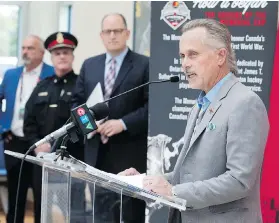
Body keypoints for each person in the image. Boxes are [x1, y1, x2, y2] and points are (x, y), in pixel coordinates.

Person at [119, 19, 269, 223]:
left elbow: (239, 181)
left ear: (220, 56)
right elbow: (190, 174)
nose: (185, 63)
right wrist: (148, 182)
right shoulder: (199, 104)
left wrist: (173, 191)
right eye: (182, 56)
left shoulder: (245, 103)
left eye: (193, 54)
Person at [72, 13, 149, 223]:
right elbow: (77, 103)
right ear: (101, 35)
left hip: (129, 152)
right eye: (108, 31)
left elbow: (151, 107)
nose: (112, 36)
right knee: (100, 212)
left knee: (131, 212)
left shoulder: (144, 65)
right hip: (95, 152)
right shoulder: (90, 65)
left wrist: (123, 123)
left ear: (127, 33)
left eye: (117, 31)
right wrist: (90, 124)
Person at [23, 32, 85, 223]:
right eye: (57, 53)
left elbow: (84, 122)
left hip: (73, 160)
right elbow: (29, 121)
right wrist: (37, 145)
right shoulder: (42, 86)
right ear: (51, 57)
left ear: (73, 56)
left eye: (66, 52)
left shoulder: (81, 85)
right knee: (42, 210)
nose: (62, 56)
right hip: (44, 160)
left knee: (74, 211)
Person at [0, 35, 54, 223]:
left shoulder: (52, 74)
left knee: (41, 196)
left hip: (41, 144)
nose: (25, 52)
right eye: (23, 47)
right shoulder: (11, 75)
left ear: (41, 52)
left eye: (30, 48)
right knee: (16, 194)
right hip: (14, 141)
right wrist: (2, 128)